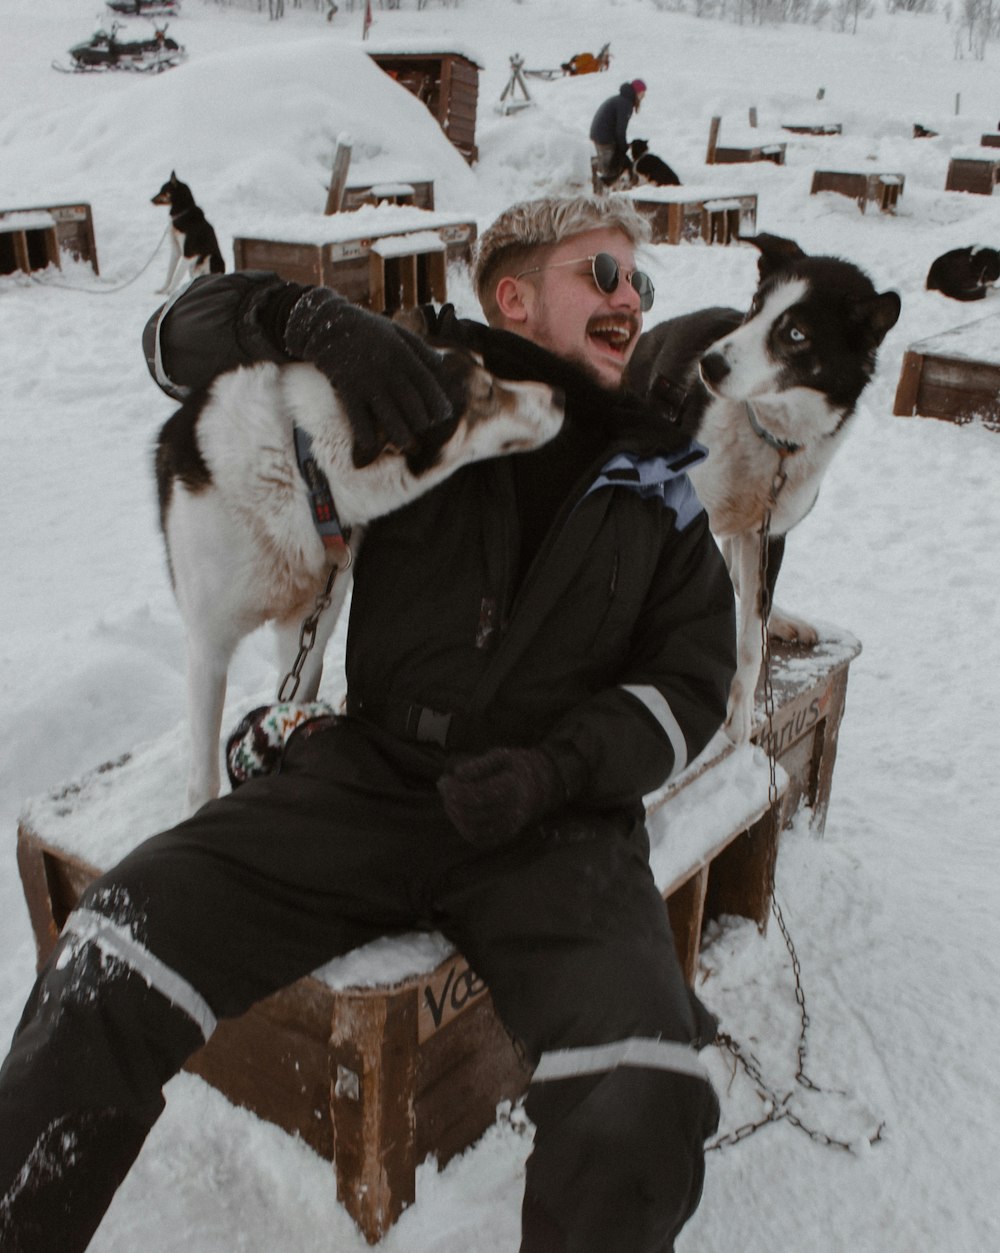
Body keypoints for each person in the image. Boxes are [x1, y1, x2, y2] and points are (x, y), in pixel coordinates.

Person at [0, 193, 736, 1253]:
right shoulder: (401, 384)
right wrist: (298, 321)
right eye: (604, 273)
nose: (635, 298)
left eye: (642, 281)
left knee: (648, 1087)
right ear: (513, 295)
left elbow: (689, 682)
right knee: (108, 957)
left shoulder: (658, 480)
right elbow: (172, 344)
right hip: (371, 774)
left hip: (556, 822)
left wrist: (556, 768)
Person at [590, 78, 646, 186]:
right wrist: (623, 146)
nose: (643, 96)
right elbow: (620, 129)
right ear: (637, 92)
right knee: (610, 168)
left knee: (611, 160)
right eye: (642, 93)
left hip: (600, 134)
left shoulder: (621, 100)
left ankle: (594, 170)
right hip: (604, 137)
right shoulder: (625, 104)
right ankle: (600, 192)